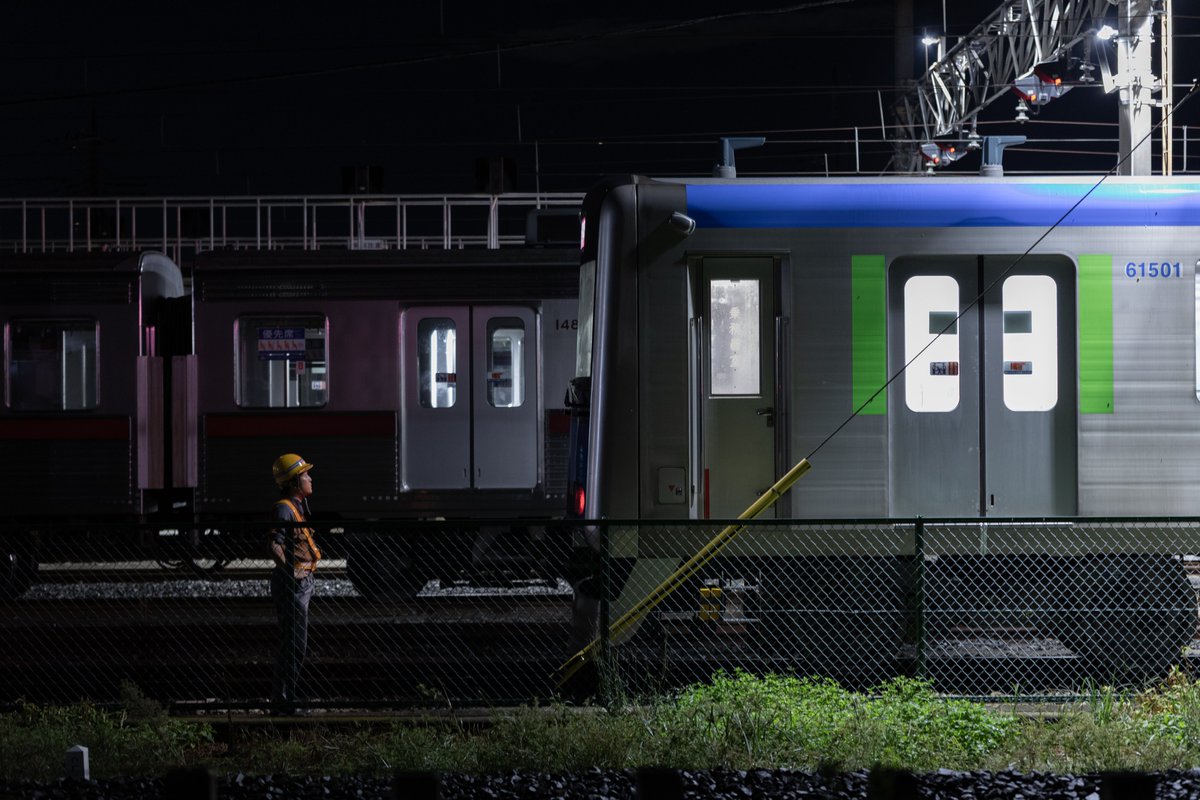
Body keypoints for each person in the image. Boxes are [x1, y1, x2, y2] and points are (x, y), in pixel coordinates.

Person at [269, 453, 321, 715]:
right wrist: (292, 574)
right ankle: (284, 702)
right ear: (293, 483)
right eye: (305, 475)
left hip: (301, 585)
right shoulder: (284, 509)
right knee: (293, 646)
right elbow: (274, 544)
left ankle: (285, 700)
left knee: (295, 645)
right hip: (293, 587)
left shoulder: (298, 506)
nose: (310, 478)